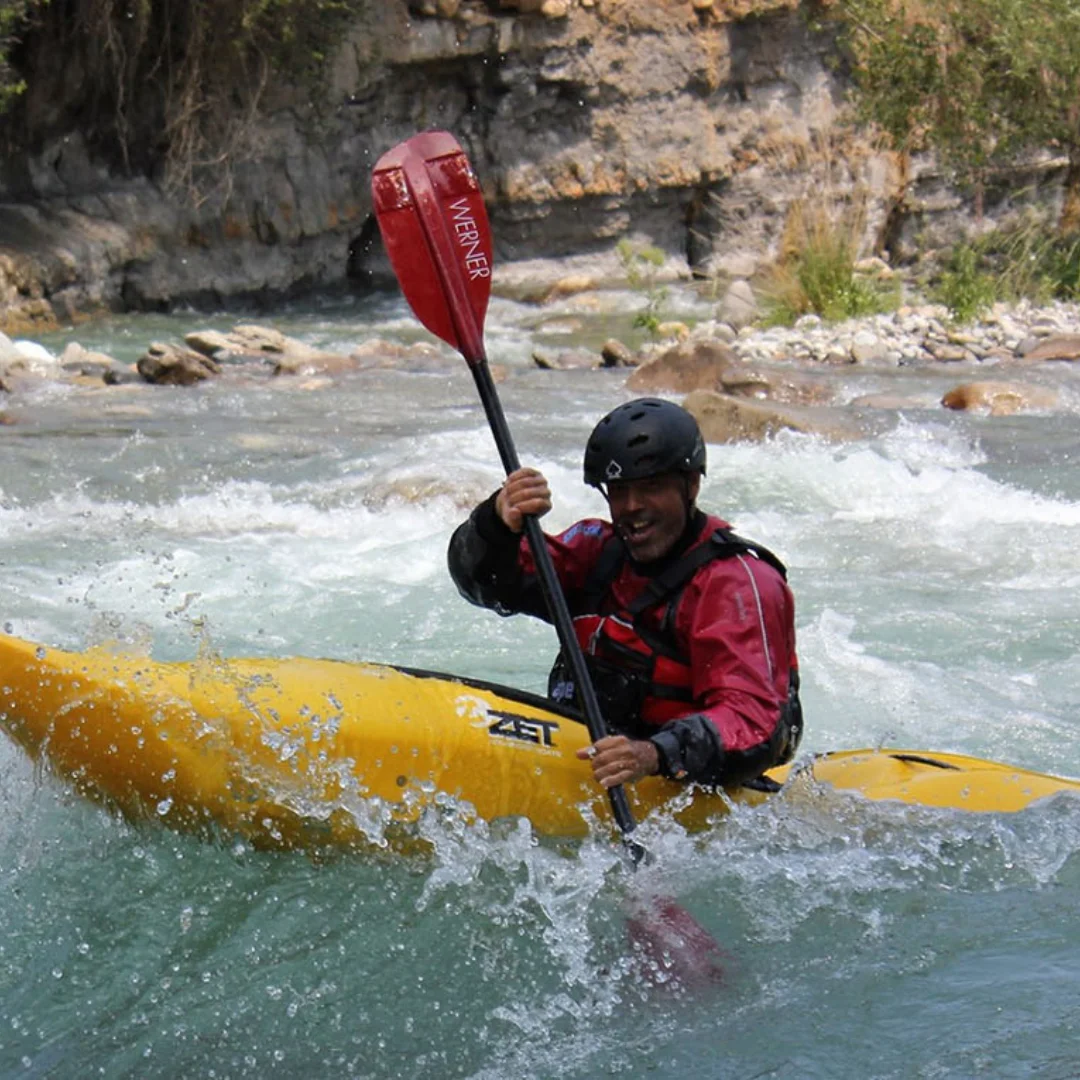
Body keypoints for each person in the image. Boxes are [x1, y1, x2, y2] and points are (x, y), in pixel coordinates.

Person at [448, 397, 802, 791]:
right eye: (618, 491)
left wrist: (654, 754)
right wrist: (497, 522)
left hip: (689, 782)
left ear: (691, 485)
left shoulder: (735, 584)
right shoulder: (596, 552)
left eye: (651, 487)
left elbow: (754, 722)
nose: (632, 507)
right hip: (592, 758)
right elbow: (487, 585)